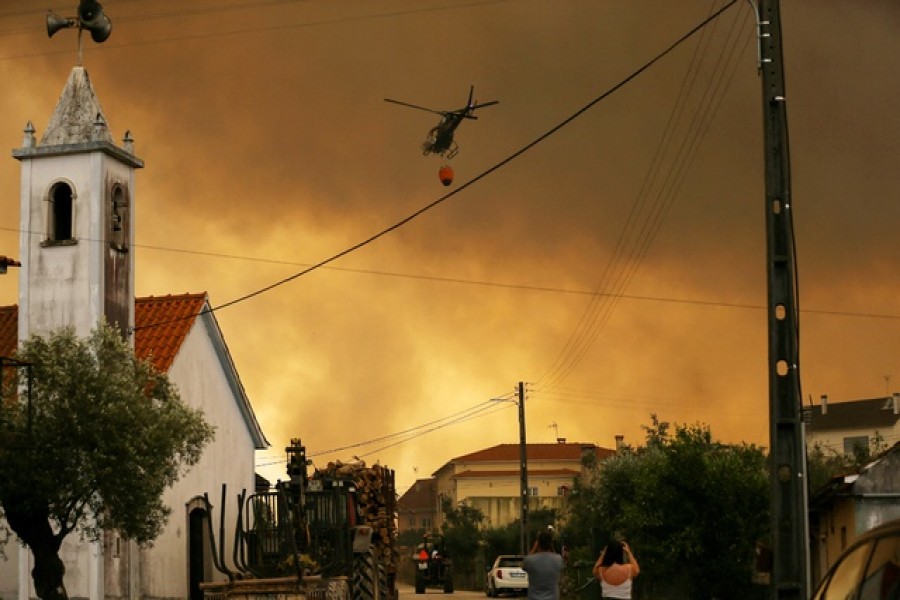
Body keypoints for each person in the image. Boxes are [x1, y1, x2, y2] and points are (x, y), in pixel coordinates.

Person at [522, 529, 565, 600]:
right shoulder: (558, 559)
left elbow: (523, 565)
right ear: (551, 543)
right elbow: (561, 565)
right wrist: (552, 547)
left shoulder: (530, 560)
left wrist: (533, 548)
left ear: (538, 543)